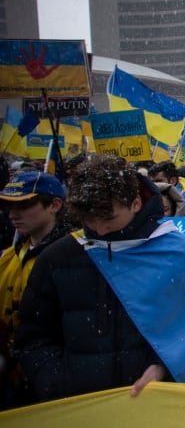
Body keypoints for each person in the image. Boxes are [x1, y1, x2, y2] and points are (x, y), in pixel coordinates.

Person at [14, 154, 185, 403]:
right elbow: (33, 337)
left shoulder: (178, 253)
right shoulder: (58, 258)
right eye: (90, 219)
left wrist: (164, 369)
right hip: (77, 409)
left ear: (135, 203)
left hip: (154, 405)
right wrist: (57, 383)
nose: (100, 230)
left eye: (109, 218)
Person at [0, 172, 73, 408]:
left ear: (54, 205)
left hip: (51, 382)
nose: (13, 214)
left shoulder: (74, 257)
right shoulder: (8, 256)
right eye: (8, 206)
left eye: (24, 205)